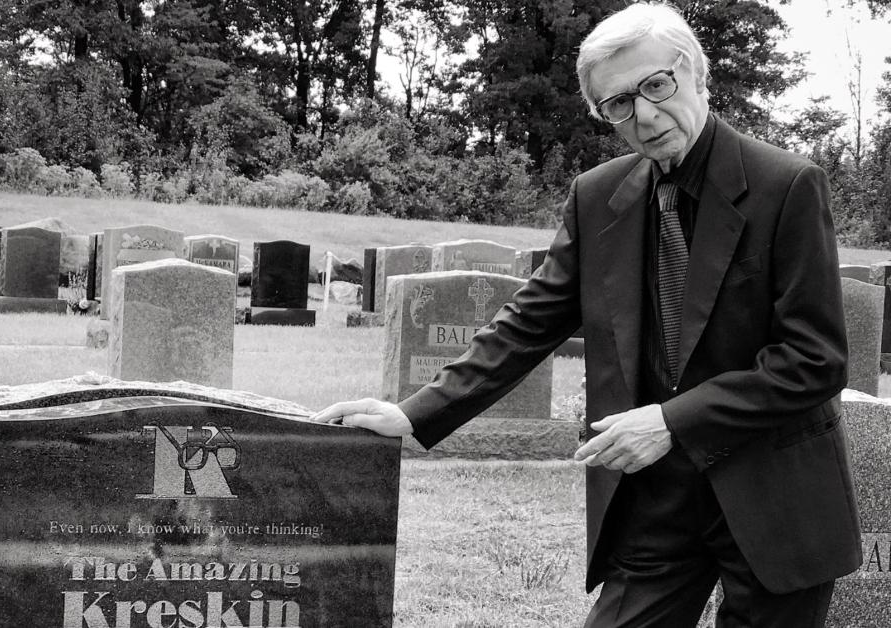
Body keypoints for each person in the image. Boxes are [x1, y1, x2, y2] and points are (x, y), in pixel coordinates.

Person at [310, 3, 861, 626]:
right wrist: (414, 413)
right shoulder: (598, 196)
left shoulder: (787, 185)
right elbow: (531, 318)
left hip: (775, 497)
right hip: (654, 498)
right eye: (619, 104)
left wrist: (671, 421)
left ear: (696, 73)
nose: (645, 116)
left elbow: (814, 361)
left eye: (656, 85)